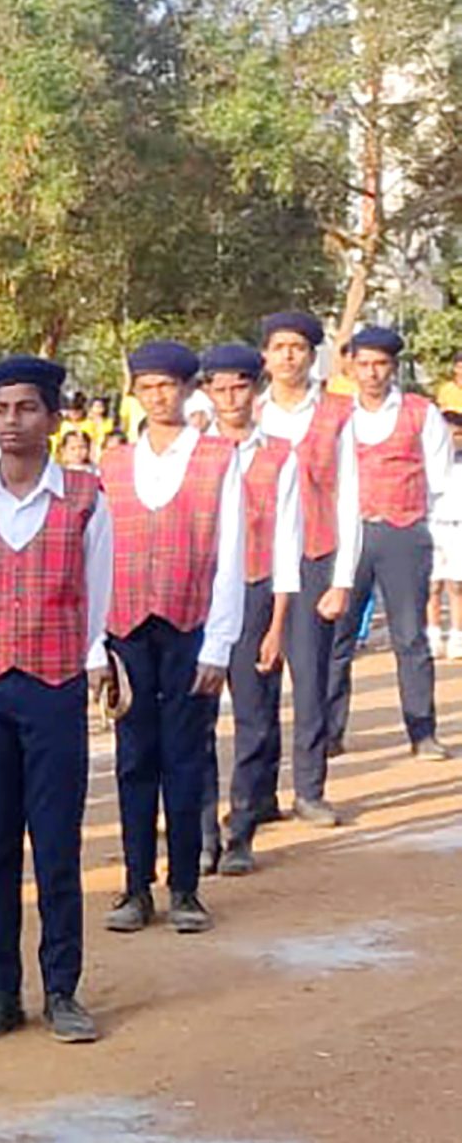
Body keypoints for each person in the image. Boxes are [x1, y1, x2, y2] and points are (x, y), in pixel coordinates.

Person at [0, 357, 111, 1046]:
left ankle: (63, 989)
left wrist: (94, 657)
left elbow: (97, 590)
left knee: (54, 843)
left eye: (25, 409)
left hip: (53, 685)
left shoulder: (81, 497)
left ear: (51, 417)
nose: (11, 422)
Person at [98, 341, 245, 935]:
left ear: (189, 390)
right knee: (134, 758)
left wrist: (221, 641)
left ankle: (185, 887)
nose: (158, 396)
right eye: (147, 386)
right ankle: (136, 887)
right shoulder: (112, 462)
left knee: (186, 757)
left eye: (169, 385)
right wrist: (94, 646)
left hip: (191, 624)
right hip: (126, 626)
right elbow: (96, 555)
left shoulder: (218, 458)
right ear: (135, 391)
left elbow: (232, 551)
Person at [326, 324, 454, 762]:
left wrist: (425, 536)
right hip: (349, 535)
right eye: (364, 364)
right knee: (337, 636)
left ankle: (422, 732)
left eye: (381, 364)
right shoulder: (338, 414)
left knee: (409, 636)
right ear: (352, 367)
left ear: (393, 367)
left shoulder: (422, 412)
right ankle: (328, 731)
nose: (372, 373)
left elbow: (438, 480)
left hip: (404, 532)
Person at [198, 344, 301, 877]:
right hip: (200, 596)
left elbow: (288, 540)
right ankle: (202, 832)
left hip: (257, 590)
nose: (230, 398)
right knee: (195, 717)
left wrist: (279, 621)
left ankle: (242, 827)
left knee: (255, 717)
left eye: (239, 386)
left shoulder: (280, 454)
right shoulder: (193, 452)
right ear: (207, 392)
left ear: (254, 390)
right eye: (219, 387)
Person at [256, 309, 351, 825]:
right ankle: (261, 792)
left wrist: (342, 578)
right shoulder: (248, 412)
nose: (288, 355)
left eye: (298, 346)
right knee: (257, 677)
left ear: (313, 355)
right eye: (279, 346)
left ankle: (310, 789)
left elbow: (351, 497)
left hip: (316, 554)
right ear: (266, 356)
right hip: (257, 560)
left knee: (310, 677)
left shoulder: (339, 413)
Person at [433, 411, 462, 657]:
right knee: (431, 585)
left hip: (458, 528)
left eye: (457, 433)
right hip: (431, 527)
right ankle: (432, 633)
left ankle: (457, 635)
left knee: (456, 586)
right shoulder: (428, 462)